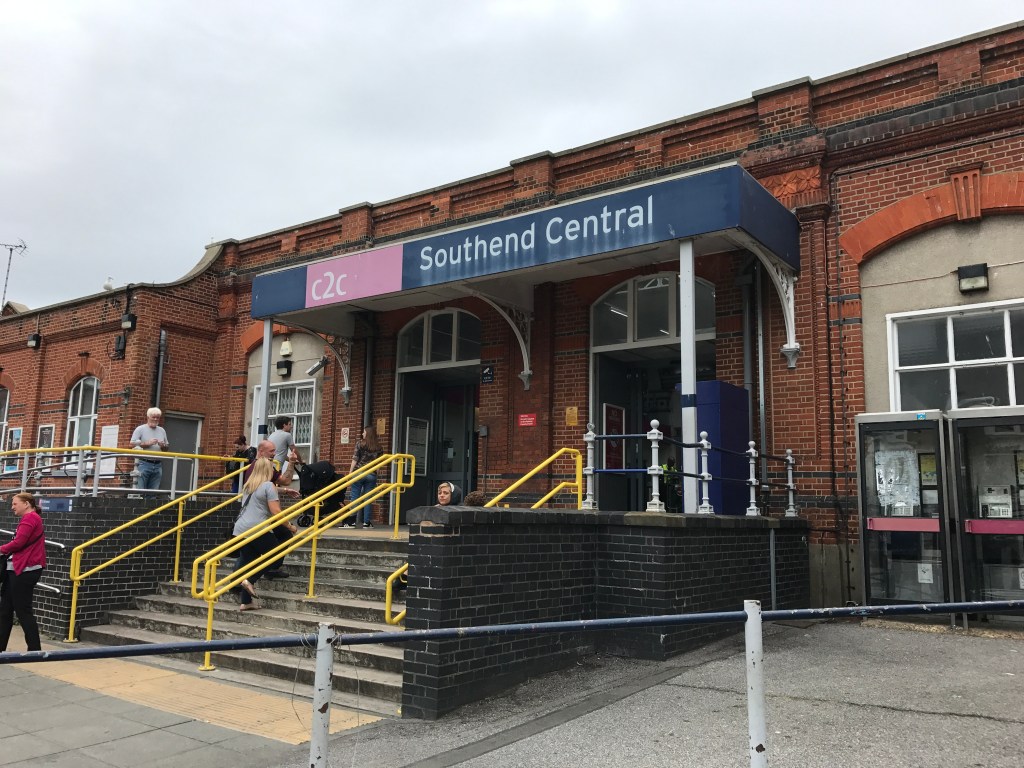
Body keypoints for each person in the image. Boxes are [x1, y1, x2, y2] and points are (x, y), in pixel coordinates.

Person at [232, 458, 281, 611]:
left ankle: (246, 602)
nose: (274, 471)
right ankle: (250, 580)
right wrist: (290, 526)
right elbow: (276, 512)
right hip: (257, 527)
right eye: (272, 468)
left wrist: (284, 490)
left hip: (241, 529)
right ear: (267, 469)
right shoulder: (269, 485)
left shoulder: (248, 486)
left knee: (249, 562)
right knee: (276, 554)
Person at [0, 492, 46, 651]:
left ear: (26, 504)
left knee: (23, 610)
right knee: (5, 610)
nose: (12, 507)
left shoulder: (30, 518)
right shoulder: (32, 518)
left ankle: (35, 650)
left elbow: (19, 543)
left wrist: (1, 549)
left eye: (15, 503)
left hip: (24, 570)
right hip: (17, 570)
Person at [346, 426, 384, 528]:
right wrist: (376, 474)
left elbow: (355, 458)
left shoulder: (360, 443)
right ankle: (367, 522)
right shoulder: (379, 447)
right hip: (371, 474)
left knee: (355, 497)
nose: (362, 434)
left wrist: (350, 473)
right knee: (368, 499)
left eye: (364, 432)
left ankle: (351, 522)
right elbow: (379, 464)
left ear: (367, 433)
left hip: (359, 473)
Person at [130, 407, 169, 490]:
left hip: (158, 464)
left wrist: (163, 446)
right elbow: (131, 444)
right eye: (153, 417)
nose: (155, 419)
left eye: (157, 417)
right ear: (148, 417)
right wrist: (147, 443)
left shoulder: (162, 430)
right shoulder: (140, 429)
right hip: (143, 463)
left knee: (153, 492)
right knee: (140, 490)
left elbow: (166, 448)